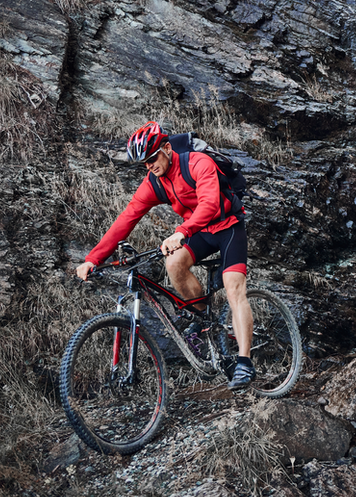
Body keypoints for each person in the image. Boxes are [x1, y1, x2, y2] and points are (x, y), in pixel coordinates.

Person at [75, 121, 256, 390]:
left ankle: (244, 363)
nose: (149, 166)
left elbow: (210, 203)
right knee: (174, 263)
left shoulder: (197, 163)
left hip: (228, 226)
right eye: (144, 164)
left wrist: (182, 232)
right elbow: (126, 218)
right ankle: (204, 319)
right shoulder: (154, 182)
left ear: (167, 149)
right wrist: (94, 258)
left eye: (152, 159)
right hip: (199, 232)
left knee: (234, 288)